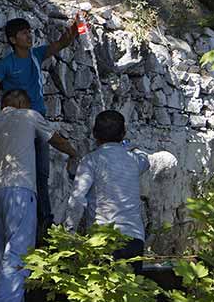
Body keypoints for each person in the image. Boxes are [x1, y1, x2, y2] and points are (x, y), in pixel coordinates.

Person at [0, 89, 79, 302]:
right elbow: (56, 139)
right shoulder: (29, 115)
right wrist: (74, 153)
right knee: (20, 250)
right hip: (19, 188)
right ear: (20, 103)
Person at [0, 16, 81, 237]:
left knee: (42, 174)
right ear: (13, 39)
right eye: (24, 33)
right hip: (17, 124)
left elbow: (61, 43)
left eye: (29, 32)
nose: (29, 36)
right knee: (24, 173)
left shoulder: (36, 55)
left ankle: (44, 222)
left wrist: (74, 28)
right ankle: (31, 222)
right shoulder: (6, 64)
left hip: (38, 119)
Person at [63, 110, 150, 272]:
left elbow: (77, 199)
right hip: (134, 238)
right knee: (131, 293)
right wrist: (132, 147)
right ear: (123, 133)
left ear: (94, 134)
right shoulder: (133, 160)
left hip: (101, 238)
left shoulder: (91, 160)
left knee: (100, 292)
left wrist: (69, 233)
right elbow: (145, 159)